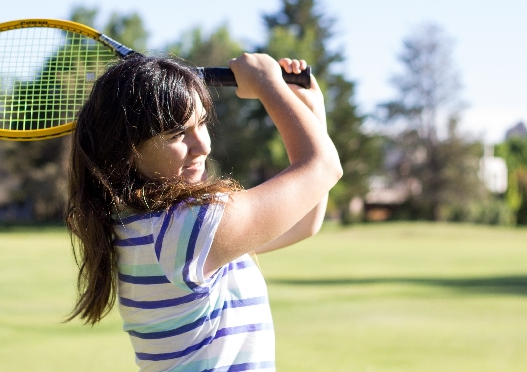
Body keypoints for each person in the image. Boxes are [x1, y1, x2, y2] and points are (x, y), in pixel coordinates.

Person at [66, 52, 342, 371]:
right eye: (176, 134)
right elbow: (323, 167)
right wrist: (267, 84)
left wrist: (310, 109)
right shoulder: (184, 228)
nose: (203, 146)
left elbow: (304, 221)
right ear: (126, 150)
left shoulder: (145, 224)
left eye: (201, 123)